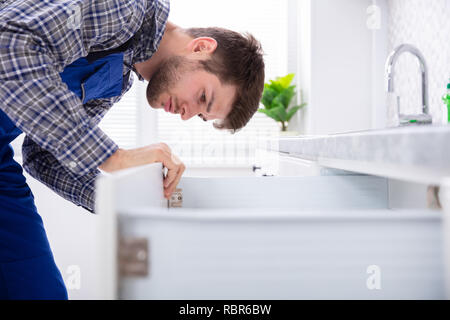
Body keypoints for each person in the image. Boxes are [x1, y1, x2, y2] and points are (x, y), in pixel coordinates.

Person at [0, 0, 264, 299]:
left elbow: (43, 155)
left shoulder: (117, 79)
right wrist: (113, 157)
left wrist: (136, 204)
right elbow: (10, 44)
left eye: (201, 117)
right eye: (203, 97)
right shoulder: (125, 7)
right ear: (201, 47)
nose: (188, 115)